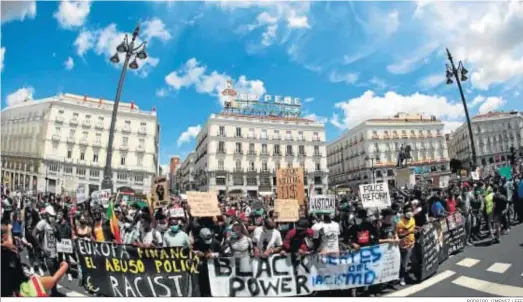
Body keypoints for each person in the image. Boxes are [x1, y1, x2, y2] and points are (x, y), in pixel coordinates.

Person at [32, 206, 63, 296]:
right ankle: (52, 292)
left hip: (55, 252)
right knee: (52, 274)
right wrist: (42, 248)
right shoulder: (43, 223)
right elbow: (34, 234)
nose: (52, 217)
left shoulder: (54, 224)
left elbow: (59, 239)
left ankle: (52, 290)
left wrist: (55, 229)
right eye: (50, 215)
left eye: (53, 215)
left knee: (55, 273)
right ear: (46, 215)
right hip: (47, 252)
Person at [396, 205, 416, 286]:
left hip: (411, 244)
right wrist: (410, 232)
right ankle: (401, 277)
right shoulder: (400, 222)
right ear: (404, 212)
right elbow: (400, 235)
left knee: (407, 263)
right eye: (408, 211)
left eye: (411, 210)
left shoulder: (413, 219)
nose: (409, 212)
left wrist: (418, 229)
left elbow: (413, 229)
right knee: (402, 263)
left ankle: (403, 277)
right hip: (402, 246)